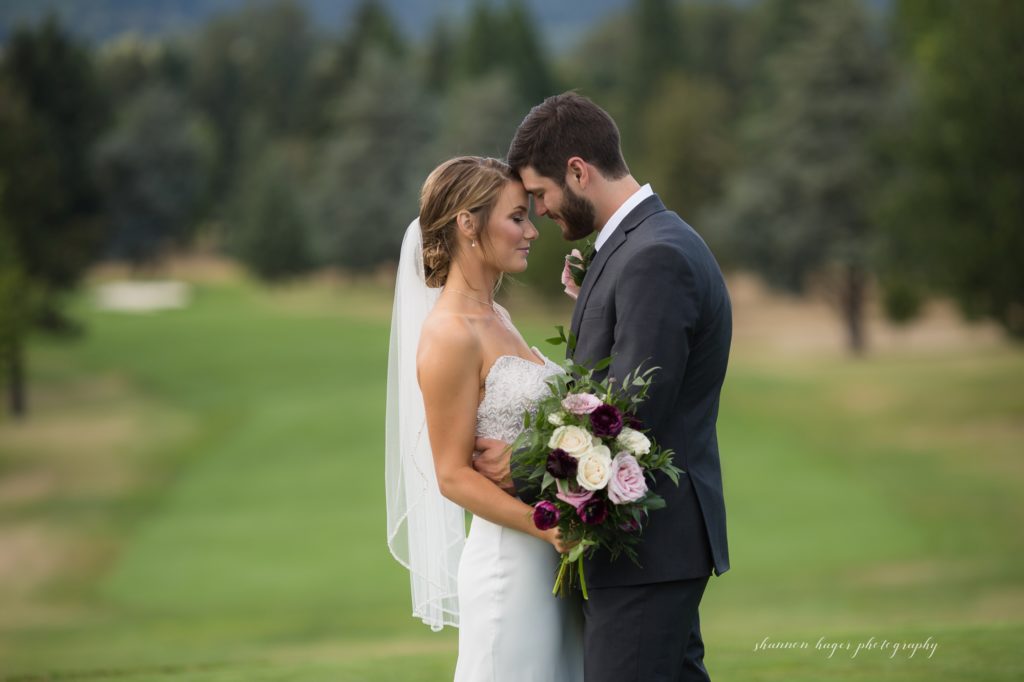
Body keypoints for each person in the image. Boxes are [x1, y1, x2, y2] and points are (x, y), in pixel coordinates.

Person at [473, 92, 732, 682]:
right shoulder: (639, 244)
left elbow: (629, 412)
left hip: (649, 550)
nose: (539, 211)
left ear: (578, 171)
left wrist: (523, 466)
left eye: (540, 194)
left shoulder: (654, 256)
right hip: (646, 550)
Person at [385, 156, 584, 682]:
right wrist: (546, 526)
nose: (532, 232)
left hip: (551, 558)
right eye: (517, 218)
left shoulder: (497, 316)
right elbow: (452, 475)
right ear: (467, 225)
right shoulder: (450, 333)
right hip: (510, 565)